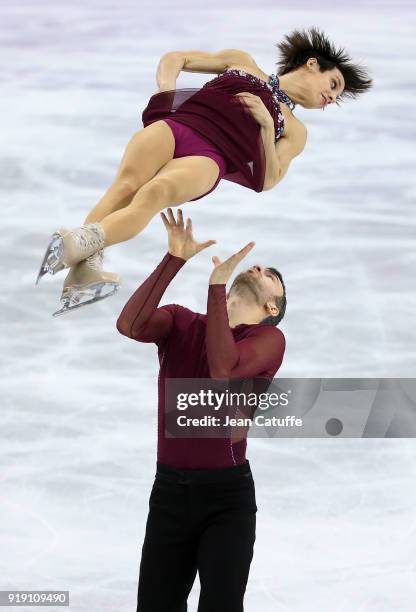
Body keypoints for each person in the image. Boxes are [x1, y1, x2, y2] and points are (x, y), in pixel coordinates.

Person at [35, 27, 372, 316]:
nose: (331, 97)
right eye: (333, 83)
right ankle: (84, 270)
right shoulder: (242, 61)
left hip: (211, 157)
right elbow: (175, 59)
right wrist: (165, 93)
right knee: (124, 187)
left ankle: (74, 246)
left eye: (336, 97)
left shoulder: (295, 130)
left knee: (154, 193)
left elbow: (269, 179)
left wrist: (268, 127)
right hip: (178, 125)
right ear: (312, 64)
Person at [116, 208, 286, 611]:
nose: (260, 266)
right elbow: (130, 325)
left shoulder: (268, 341)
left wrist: (216, 284)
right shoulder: (181, 323)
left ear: (272, 309)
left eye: (271, 276)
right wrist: (174, 259)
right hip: (169, 495)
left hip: (227, 501)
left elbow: (222, 371)